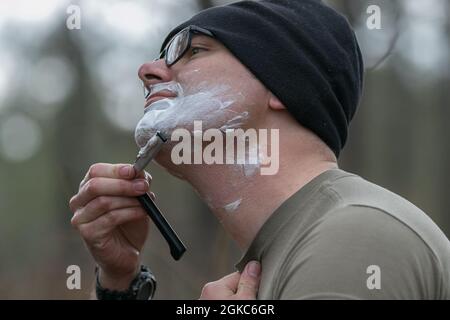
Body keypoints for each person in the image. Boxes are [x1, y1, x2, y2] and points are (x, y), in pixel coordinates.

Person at [69, 0, 450, 299]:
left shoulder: (354, 237)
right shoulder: (302, 244)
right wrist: (120, 284)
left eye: (195, 50)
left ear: (282, 85)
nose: (147, 70)